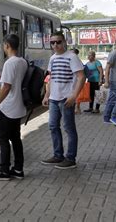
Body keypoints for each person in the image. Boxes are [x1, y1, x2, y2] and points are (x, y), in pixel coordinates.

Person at [0, 34, 27, 180]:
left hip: (7, 107)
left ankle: (4, 170)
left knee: (3, 139)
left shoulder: (10, 63)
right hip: (18, 107)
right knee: (16, 138)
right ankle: (18, 169)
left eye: (4, 45)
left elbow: (6, 87)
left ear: (7, 45)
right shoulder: (23, 62)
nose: (3, 47)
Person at [41, 31, 85, 170]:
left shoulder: (72, 57)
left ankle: (70, 158)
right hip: (54, 98)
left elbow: (81, 77)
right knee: (53, 126)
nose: (55, 45)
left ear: (64, 42)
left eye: (58, 42)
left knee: (69, 128)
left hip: (66, 98)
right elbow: (51, 78)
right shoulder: (53, 58)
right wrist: (46, 95)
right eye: (52, 42)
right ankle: (58, 155)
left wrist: (74, 96)